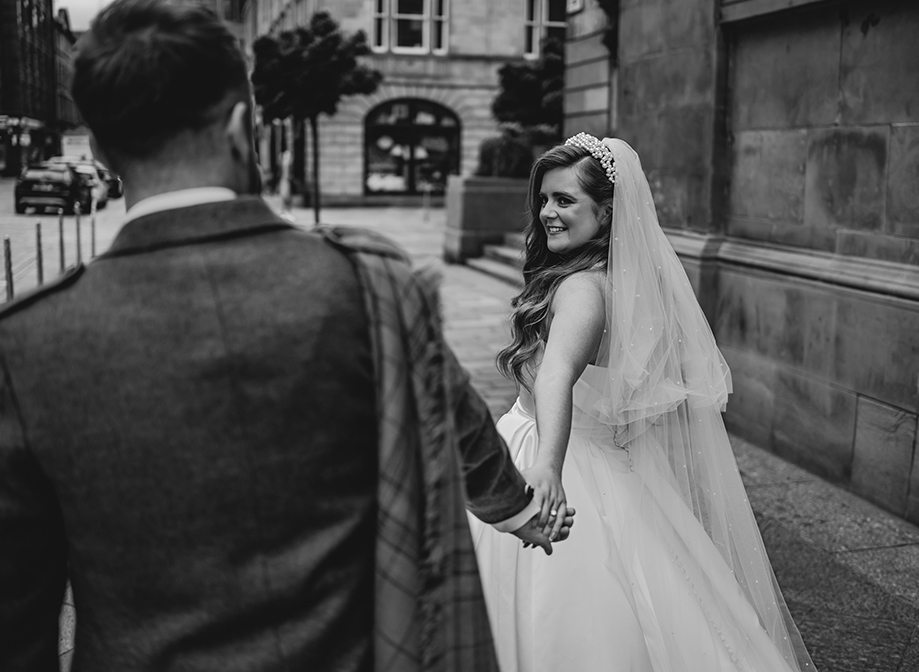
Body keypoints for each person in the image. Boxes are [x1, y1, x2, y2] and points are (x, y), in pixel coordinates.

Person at [0, 2, 571, 671]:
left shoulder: (27, 343)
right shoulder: (363, 285)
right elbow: (456, 418)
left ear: (96, 148)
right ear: (244, 127)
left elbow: (17, 607)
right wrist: (516, 510)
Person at [467, 134, 817, 672]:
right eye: (544, 199)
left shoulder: (581, 291)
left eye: (565, 201)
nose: (547, 213)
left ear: (606, 215)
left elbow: (556, 375)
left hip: (559, 457)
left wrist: (547, 466)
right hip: (598, 459)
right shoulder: (612, 282)